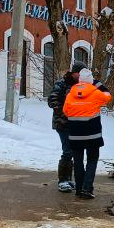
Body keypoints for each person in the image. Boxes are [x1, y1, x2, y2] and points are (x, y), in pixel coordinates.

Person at [62, 69, 112, 199]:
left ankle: (79, 189)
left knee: (78, 161)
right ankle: (86, 188)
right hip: (92, 134)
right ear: (91, 81)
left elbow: (66, 112)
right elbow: (108, 96)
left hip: (75, 134)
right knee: (92, 160)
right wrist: (97, 84)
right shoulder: (95, 93)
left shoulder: (70, 94)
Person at [48, 62, 87, 193]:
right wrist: (65, 113)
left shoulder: (82, 84)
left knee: (74, 150)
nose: (81, 76)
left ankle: (69, 179)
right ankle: (62, 180)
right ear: (74, 72)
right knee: (68, 150)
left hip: (76, 123)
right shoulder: (62, 83)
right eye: (79, 74)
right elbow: (52, 100)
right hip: (62, 123)